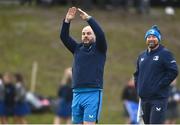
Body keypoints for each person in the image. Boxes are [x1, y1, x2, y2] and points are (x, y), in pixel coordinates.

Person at [60, 7, 107, 124]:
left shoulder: (100, 48)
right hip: (76, 94)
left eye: (89, 33)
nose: (86, 35)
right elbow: (64, 37)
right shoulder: (77, 48)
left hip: (92, 93)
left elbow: (101, 35)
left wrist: (89, 19)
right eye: (83, 34)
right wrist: (67, 21)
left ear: (94, 36)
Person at [134, 25, 178, 124]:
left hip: (158, 98)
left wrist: (160, 85)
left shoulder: (165, 54)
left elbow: (174, 71)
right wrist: (138, 89)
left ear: (158, 39)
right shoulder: (141, 56)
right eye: (149, 37)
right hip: (144, 99)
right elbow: (137, 74)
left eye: (154, 37)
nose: (151, 39)